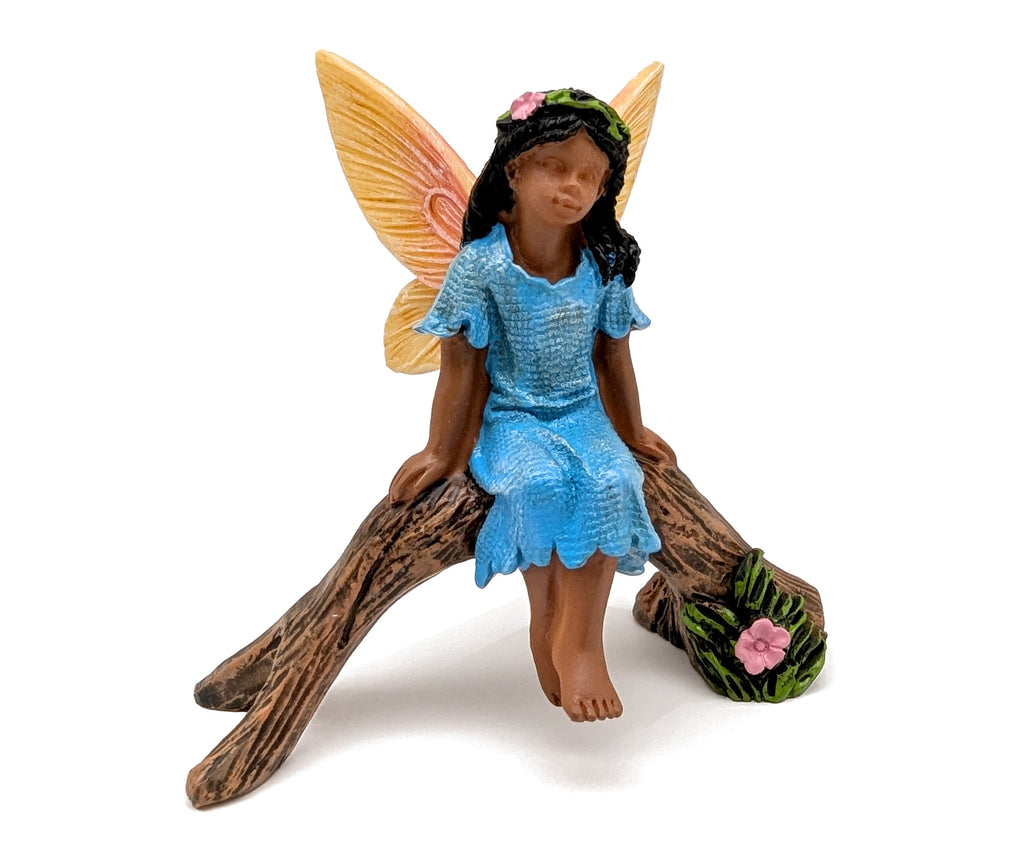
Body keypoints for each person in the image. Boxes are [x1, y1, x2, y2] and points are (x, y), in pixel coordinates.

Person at [389, 89, 675, 722]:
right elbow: (460, 367)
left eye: (590, 177)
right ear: (514, 169)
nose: (572, 187)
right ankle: (548, 624)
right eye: (554, 166)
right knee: (537, 483)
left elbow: (613, 357)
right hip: (513, 418)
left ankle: (580, 642)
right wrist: (441, 451)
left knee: (613, 479)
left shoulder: (602, 263)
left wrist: (633, 432)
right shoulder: (481, 267)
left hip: (581, 413)